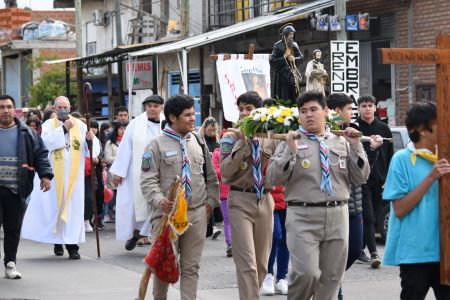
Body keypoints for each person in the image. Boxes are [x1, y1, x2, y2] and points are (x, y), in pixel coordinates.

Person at [266, 91, 370, 300]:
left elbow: (360, 177)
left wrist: (357, 146)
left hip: (337, 215)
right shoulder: (291, 140)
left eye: (313, 110)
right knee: (306, 274)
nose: (308, 115)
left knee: (332, 277)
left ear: (325, 111)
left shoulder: (341, 141)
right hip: (303, 215)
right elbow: (272, 178)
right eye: (303, 111)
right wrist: (290, 152)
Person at [141, 94, 219, 300]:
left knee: (191, 267)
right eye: (188, 115)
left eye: (194, 114)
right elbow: (148, 181)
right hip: (166, 217)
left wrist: (210, 203)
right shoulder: (155, 145)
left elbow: (211, 176)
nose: (193, 119)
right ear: (173, 117)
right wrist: (160, 201)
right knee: (164, 265)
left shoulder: (198, 141)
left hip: (197, 214)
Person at [383, 101, 450, 299]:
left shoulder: (445, 157)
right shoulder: (402, 159)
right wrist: (431, 178)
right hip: (415, 254)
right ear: (421, 129)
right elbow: (400, 209)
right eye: (440, 123)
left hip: (445, 252)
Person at [21, 96, 99, 260]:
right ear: (55, 109)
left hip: (74, 178)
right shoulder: (49, 125)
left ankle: (72, 246)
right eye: (60, 107)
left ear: (70, 108)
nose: (63, 110)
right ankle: (57, 242)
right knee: (55, 208)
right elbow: (45, 143)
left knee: (73, 210)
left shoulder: (80, 124)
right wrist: (63, 129)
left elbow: (91, 151)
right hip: (54, 177)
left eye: (66, 107)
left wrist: (90, 139)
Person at [220, 91, 277, 300]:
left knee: (262, 263)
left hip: (264, 199)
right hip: (239, 200)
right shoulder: (229, 137)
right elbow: (225, 172)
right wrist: (244, 144)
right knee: (247, 262)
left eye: (249, 109)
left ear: (258, 111)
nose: (244, 113)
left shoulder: (270, 136)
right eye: (241, 109)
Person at [326, 93, 383, 299]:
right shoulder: (326, 136)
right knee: (334, 255)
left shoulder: (352, 133)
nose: (354, 113)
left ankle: (331, 282)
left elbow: (361, 171)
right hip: (334, 205)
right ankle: (335, 290)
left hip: (355, 201)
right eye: (350, 109)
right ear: (336, 112)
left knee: (354, 249)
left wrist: (371, 150)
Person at [0, 95, 53, 279]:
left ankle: (10, 264)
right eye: (1, 107)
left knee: (13, 229)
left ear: (15, 110)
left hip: (16, 189)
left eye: (8, 107)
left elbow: (41, 155)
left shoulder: (27, 133)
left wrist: (45, 176)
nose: (5, 110)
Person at [109, 95, 164, 251]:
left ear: (161, 107)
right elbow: (126, 148)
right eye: (149, 106)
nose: (152, 109)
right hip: (139, 172)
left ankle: (152, 238)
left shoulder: (167, 123)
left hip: (161, 171)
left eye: (155, 106)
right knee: (137, 205)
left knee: (158, 205)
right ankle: (136, 233)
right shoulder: (135, 124)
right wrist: (119, 172)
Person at [355, 95, 394, 268]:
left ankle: (359, 249)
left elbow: (390, 155)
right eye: (364, 105)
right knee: (368, 217)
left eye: (370, 105)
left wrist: (389, 178)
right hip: (361, 178)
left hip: (381, 179)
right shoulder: (353, 127)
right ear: (359, 108)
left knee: (375, 215)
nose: (367, 109)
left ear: (375, 107)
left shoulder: (384, 128)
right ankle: (374, 253)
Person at [261, 185, 289, 296]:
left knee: (286, 239)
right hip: (269, 199)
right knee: (275, 235)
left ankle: (281, 278)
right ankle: (268, 274)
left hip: (288, 200)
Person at [199, 117, 222, 239]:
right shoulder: (201, 143)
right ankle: (211, 227)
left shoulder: (218, 144)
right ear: (205, 129)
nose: (212, 132)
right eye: (210, 130)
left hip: (216, 177)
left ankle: (211, 226)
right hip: (204, 176)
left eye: (214, 130)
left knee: (213, 200)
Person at [270, 24, 303, 104]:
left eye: (293, 34)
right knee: (282, 95)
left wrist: (294, 59)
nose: (291, 36)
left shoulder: (294, 45)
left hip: (291, 73)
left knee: (293, 94)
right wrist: (284, 56)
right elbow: (272, 61)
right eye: (290, 34)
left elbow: (301, 57)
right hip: (281, 75)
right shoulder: (277, 45)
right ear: (285, 35)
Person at [103, 122, 127, 224]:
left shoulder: (128, 141)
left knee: (123, 196)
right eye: (120, 129)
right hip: (113, 172)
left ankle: (121, 217)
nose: (123, 131)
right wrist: (121, 157)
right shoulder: (110, 143)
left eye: (125, 128)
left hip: (125, 173)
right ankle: (108, 213)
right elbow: (108, 159)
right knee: (113, 194)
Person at [212, 143, 232, 257]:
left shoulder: (237, 151)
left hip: (237, 191)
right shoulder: (217, 154)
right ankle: (230, 244)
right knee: (227, 220)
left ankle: (238, 245)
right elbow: (216, 172)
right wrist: (229, 169)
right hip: (224, 193)